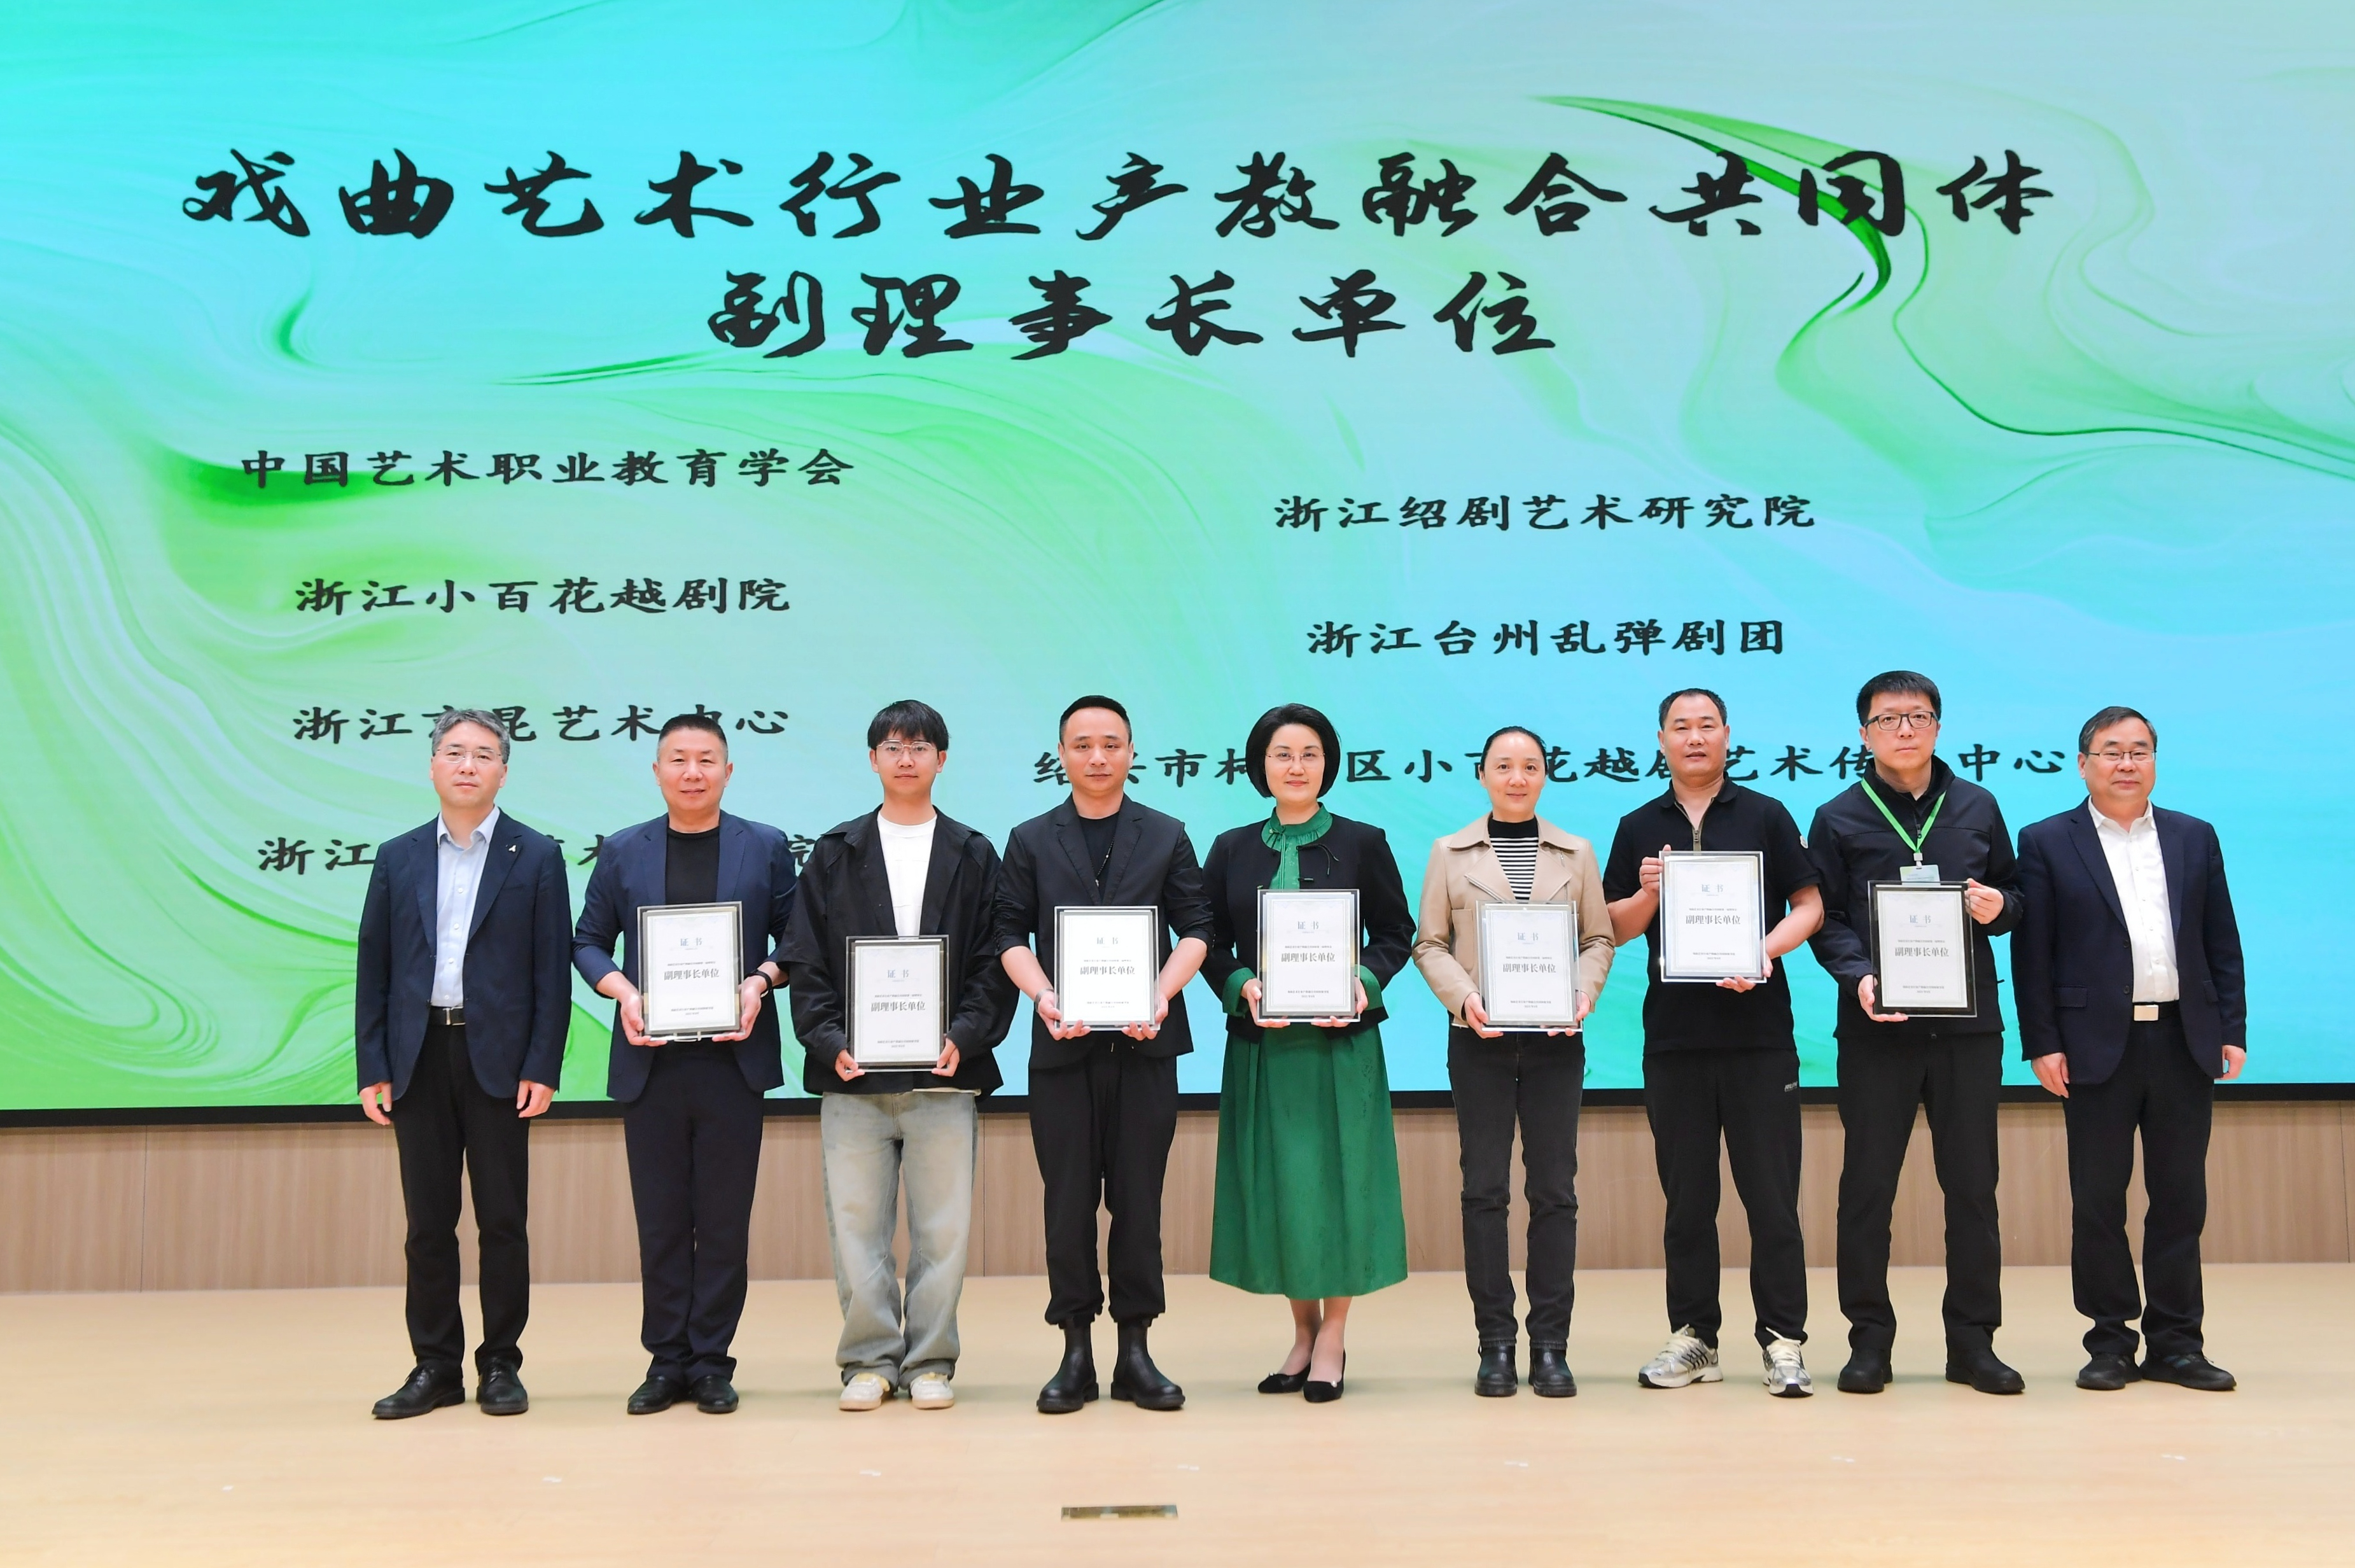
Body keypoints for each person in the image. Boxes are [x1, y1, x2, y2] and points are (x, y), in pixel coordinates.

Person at [781, 700, 1017, 1413]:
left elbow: (994, 959)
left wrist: (965, 1035)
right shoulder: (836, 851)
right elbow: (804, 958)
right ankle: (868, 1360)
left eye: (919, 746)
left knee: (944, 1232)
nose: (905, 758)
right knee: (857, 1230)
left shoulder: (973, 852)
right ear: (872, 759)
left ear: (941, 759)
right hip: (853, 1075)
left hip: (944, 1075)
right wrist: (829, 1041)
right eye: (892, 746)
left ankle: (930, 1360)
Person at [2015, 706, 2246, 1393]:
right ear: (2082, 763)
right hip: (2091, 1047)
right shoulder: (2046, 840)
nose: (2125, 763)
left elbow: (2220, 938)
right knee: (2097, 1201)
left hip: (2182, 1038)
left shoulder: (2192, 835)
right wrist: (2042, 1042)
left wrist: (2230, 1026)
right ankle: (2109, 1341)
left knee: (2179, 1199)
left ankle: (2176, 1343)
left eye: (2139, 751)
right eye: (2111, 751)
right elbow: (2033, 955)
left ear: (2153, 762)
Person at [1806, 671, 2024, 1396]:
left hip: (1967, 1029)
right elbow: (1825, 917)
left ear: (1937, 725)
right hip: (1878, 1029)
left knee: (1972, 1188)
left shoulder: (1977, 806)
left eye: (1918, 716)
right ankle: (1868, 1342)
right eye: (1887, 718)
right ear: (1863, 733)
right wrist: (1859, 975)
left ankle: (1972, 1344)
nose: (1904, 729)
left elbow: (2015, 895)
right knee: (1867, 1188)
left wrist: (1999, 907)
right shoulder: (1837, 816)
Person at [573, 713, 797, 1416]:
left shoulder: (764, 846)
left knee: (724, 1223)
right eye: (678, 759)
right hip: (652, 1063)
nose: (692, 772)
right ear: (657, 771)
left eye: (706, 759)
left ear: (728, 771)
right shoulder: (623, 850)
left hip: (733, 1062)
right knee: (662, 1221)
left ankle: (711, 1363)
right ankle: (665, 1360)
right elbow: (587, 941)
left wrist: (759, 982)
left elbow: (797, 938)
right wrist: (624, 992)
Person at [1603, 690, 1825, 1397]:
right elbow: (1615, 927)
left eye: (1706, 725)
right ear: (1660, 740)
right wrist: (1647, 892)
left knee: (1772, 1200)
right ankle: (1695, 1337)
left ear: (1727, 734)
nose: (1694, 737)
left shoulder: (1765, 814)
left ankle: (1783, 1341)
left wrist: (1763, 952)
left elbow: (1810, 905)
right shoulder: (1638, 825)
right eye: (1681, 727)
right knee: (1687, 1202)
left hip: (1760, 1038)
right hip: (1674, 1040)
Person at [995, 697, 1213, 1414]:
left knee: (1138, 1202)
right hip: (1063, 1050)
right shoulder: (1030, 839)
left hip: (1146, 1049)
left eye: (1111, 744)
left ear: (1131, 752)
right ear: (1061, 754)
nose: (1097, 756)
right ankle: (1075, 1351)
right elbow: (1007, 934)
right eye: (1082, 744)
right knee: (1067, 1203)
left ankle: (1136, 1351)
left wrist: (1159, 993)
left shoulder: (1166, 833)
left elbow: (1197, 928)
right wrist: (1044, 996)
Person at [356, 708, 572, 1420]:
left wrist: (543, 1064)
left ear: (503, 772)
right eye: (454, 752)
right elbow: (375, 965)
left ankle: (501, 1362)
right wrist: (373, 1062)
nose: (468, 764)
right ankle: (435, 1366)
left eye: (483, 754)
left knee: (503, 1221)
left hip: (501, 1062)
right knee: (427, 1224)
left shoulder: (535, 855)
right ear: (432, 767)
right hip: (418, 1055)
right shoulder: (398, 856)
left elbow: (550, 972)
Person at [1202, 703, 1414, 1404]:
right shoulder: (1230, 848)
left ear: (1328, 764)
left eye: (1309, 754)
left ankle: (1333, 1336)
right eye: (1281, 754)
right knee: (1283, 1188)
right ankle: (1301, 1331)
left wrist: (1363, 981)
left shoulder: (1362, 842)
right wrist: (1239, 982)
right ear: (1259, 765)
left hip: (1340, 1047)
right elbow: (1208, 941)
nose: (1296, 767)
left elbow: (1395, 931)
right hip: (1264, 1047)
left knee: (1342, 1185)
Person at [1411, 725, 1613, 1398]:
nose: (1516, 777)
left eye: (1529, 766)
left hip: (1557, 1042)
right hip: (1479, 1040)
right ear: (1482, 775)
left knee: (1554, 1192)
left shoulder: (1576, 852)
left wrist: (1582, 992)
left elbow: (1597, 938)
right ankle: (1494, 1344)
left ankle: (1550, 1347)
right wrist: (1464, 998)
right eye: (1503, 766)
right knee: (1484, 1191)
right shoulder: (1448, 851)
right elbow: (1429, 943)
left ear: (1545, 775)